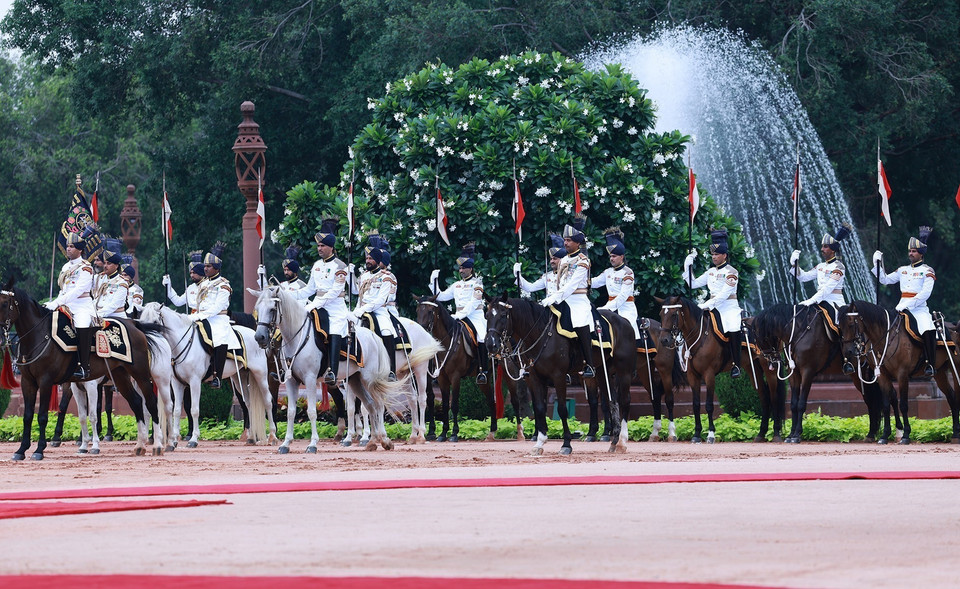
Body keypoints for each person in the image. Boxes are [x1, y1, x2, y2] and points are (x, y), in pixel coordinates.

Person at [872, 226, 937, 377]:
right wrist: (876, 263)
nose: (910, 253)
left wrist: (906, 304)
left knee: (927, 329)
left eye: (913, 251)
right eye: (910, 251)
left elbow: (925, 294)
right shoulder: (903, 270)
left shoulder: (928, 271)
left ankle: (930, 364)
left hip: (918, 308)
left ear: (921, 254)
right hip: (901, 306)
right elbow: (884, 280)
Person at [291, 218, 349, 386]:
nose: (319, 249)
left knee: (334, 330)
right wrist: (289, 296)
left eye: (322, 246)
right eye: (318, 246)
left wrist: (315, 304)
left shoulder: (340, 266)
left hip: (335, 307)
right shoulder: (316, 265)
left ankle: (332, 371)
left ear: (331, 247)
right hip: (317, 304)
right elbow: (309, 290)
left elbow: (334, 292)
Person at [540, 215, 596, 379]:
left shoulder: (583, 261)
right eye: (564, 240)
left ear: (578, 243)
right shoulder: (563, 259)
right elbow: (560, 281)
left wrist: (555, 297)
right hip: (562, 298)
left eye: (569, 240)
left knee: (579, 321)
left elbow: (572, 285)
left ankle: (590, 364)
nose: (565, 243)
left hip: (578, 300)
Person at [684, 229, 743, 378]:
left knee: (734, 327)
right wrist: (687, 265)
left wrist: (707, 304)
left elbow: (724, 294)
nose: (714, 257)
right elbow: (693, 284)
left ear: (724, 255)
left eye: (717, 254)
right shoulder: (710, 272)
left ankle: (736, 364)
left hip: (728, 307)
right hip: (711, 307)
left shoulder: (732, 272)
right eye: (713, 254)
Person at [429, 243, 490, 384]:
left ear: (470, 269)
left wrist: (461, 314)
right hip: (458, 316)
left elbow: (475, 302)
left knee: (481, 337)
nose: (461, 270)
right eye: (460, 268)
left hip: (474, 317)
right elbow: (441, 296)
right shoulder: (456, 285)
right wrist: (434, 281)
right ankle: (439, 368)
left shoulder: (477, 283)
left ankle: (483, 371)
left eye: (464, 268)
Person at [45, 225, 98, 379]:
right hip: (66, 304)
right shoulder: (65, 267)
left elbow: (78, 291)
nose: (68, 249)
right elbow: (64, 289)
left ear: (80, 250)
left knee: (81, 325)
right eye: (67, 246)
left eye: (72, 246)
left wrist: (57, 303)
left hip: (82, 305)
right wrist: (54, 302)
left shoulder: (86, 267)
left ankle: (84, 367)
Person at [349, 232, 398, 380]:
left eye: (370, 258)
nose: (368, 261)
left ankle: (391, 370)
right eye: (367, 258)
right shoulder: (364, 276)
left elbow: (381, 300)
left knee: (387, 330)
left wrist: (363, 309)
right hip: (361, 309)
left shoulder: (386, 277)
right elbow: (356, 292)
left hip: (379, 311)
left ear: (377, 260)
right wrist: (350, 276)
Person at [193, 242, 240, 388]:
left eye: (208, 266)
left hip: (218, 318)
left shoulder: (224, 285)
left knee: (219, 339)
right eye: (205, 266)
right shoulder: (203, 283)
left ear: (217, 268)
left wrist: (199, 316)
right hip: (201, 316)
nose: (205, 269)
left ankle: (217, 376)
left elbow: (216, 307)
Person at [789, 223, 851, 322]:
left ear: (833, 250)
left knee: (838, 326)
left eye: (825, 247)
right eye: (822, 246)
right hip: (820, 301)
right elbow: (803, 277)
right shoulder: (820, 266)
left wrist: (811, 300)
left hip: (834, 302)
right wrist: (794, 265)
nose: (822, 249)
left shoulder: (839, 267)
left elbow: (828, 288)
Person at [592, 227, 640, 339]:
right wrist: (583, 279)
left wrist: (607, 308)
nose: (611, 259)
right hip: (610, 308)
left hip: (626, 309)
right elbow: (595, 282)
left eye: (614, 256)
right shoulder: (608, 272)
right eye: (610, 256)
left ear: (621, 257)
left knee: (628, 334)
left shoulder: (628, 273)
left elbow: (623, 296)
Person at [513, 233, 564, 298]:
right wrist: (518, 276)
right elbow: (530, 288)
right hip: (550, 306)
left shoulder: (570, 274)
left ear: (563, 259)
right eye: (551, 259)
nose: (552, 261)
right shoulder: (547, 276)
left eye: (555, 259)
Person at [92, 240, 129, 321]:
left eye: (109, 263)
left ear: (116, 266)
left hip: (116, 317)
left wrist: (97, 315)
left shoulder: (121, 282)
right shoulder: (100, 278)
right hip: (99, 315)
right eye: (104, 263)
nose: (105, 266)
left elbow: (114, 305)